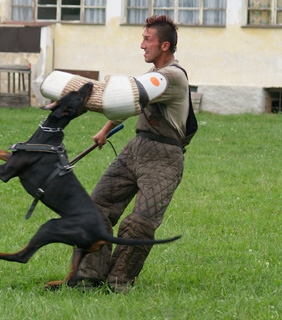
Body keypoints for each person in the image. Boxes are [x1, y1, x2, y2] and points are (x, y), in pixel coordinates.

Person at [70, 15, 198, 293]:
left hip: (165, 157)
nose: (141, 45)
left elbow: (130, 95)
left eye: (147, 39)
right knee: (96, 207)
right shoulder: (152, 76)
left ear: (164, 45)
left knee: (140, 223)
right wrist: (105, 129)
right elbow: (130, 102)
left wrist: (79, 94)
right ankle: (88, 277)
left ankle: (119, 283)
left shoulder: (172, 76)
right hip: (136, 148)